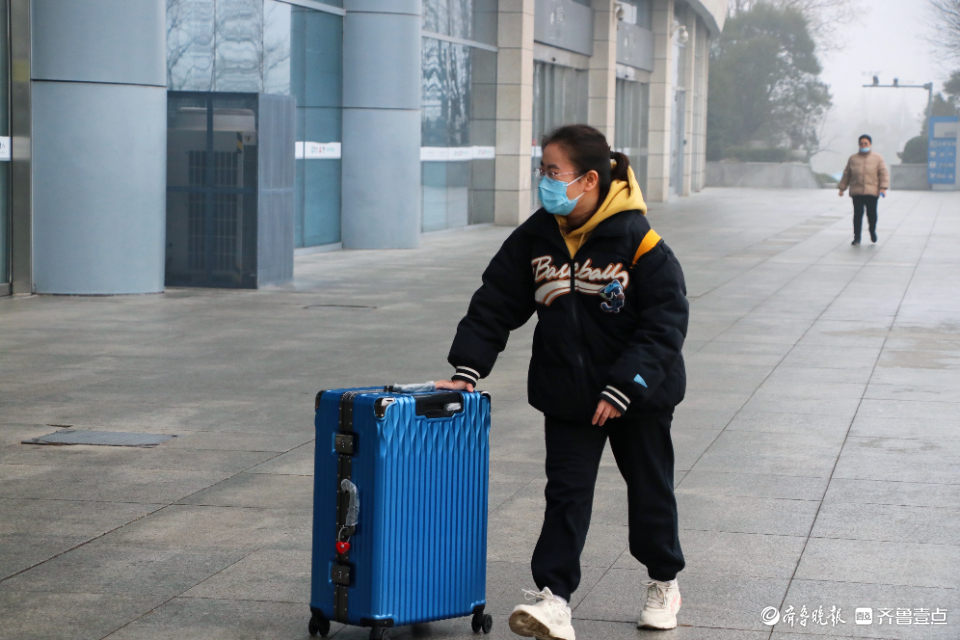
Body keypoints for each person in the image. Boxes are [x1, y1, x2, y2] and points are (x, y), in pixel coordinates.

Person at [436, 124, 689, 639]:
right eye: (543, 171)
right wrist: (468, 368)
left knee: (649, 490)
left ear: (589, 180)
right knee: (566, 495)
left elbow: (666, 322)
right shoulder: (536, 236)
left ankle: (663, 580)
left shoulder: (639, 242)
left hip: (635, 397)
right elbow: (496, 302)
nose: (545, 181)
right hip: (570, 396)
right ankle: (555, 599)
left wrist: (625, 387)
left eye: (554, 172)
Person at [838, 134, 889, 245]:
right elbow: (847, 174)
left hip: (872, 191)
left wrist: (883, 188)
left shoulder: (877, 158)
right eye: (861, 143)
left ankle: (872, 231)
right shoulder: (853, 158)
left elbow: (883, 174)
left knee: (872, 214)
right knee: (858, 214)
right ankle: (857, 238)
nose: (863, 145)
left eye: (865, 143)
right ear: (859, 145)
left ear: (870, 144)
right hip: (857, 191)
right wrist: (842, 188)